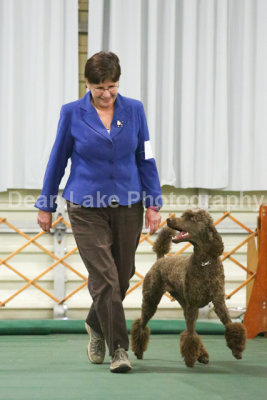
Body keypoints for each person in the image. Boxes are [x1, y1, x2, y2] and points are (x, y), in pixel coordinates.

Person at [35, 51, 162, 373]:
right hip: (85, 205)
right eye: (99, 88)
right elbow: (57, 159)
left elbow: (145, 157)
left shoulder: (134, 110)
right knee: (105, 278)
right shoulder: (72, 113)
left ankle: (95, 322)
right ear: (87, 84)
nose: (106, 94)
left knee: (122, 275)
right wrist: (46, 204)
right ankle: (119, 348)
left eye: (113, 87)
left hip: (129, 203)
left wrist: (153, 202)